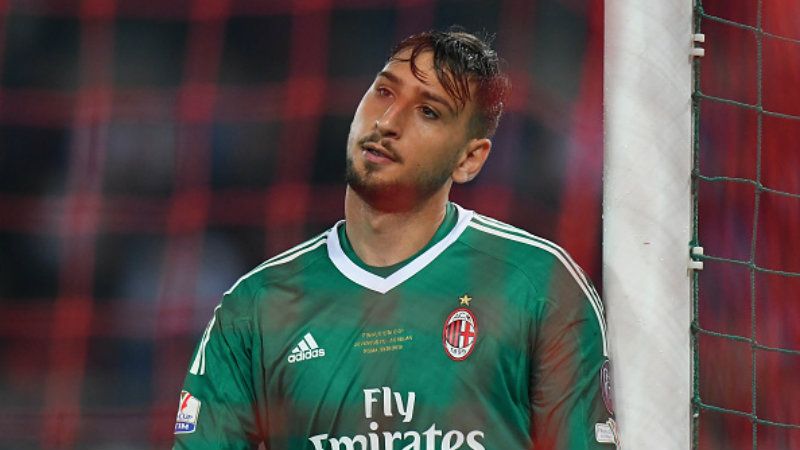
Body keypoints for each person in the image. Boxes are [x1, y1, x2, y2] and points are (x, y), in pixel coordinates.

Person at [173, 29, 617, 449]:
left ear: (469, 159)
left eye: (428, 111)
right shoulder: (257, 305)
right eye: (384, 92)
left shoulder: (538, 284)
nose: (388, 121)